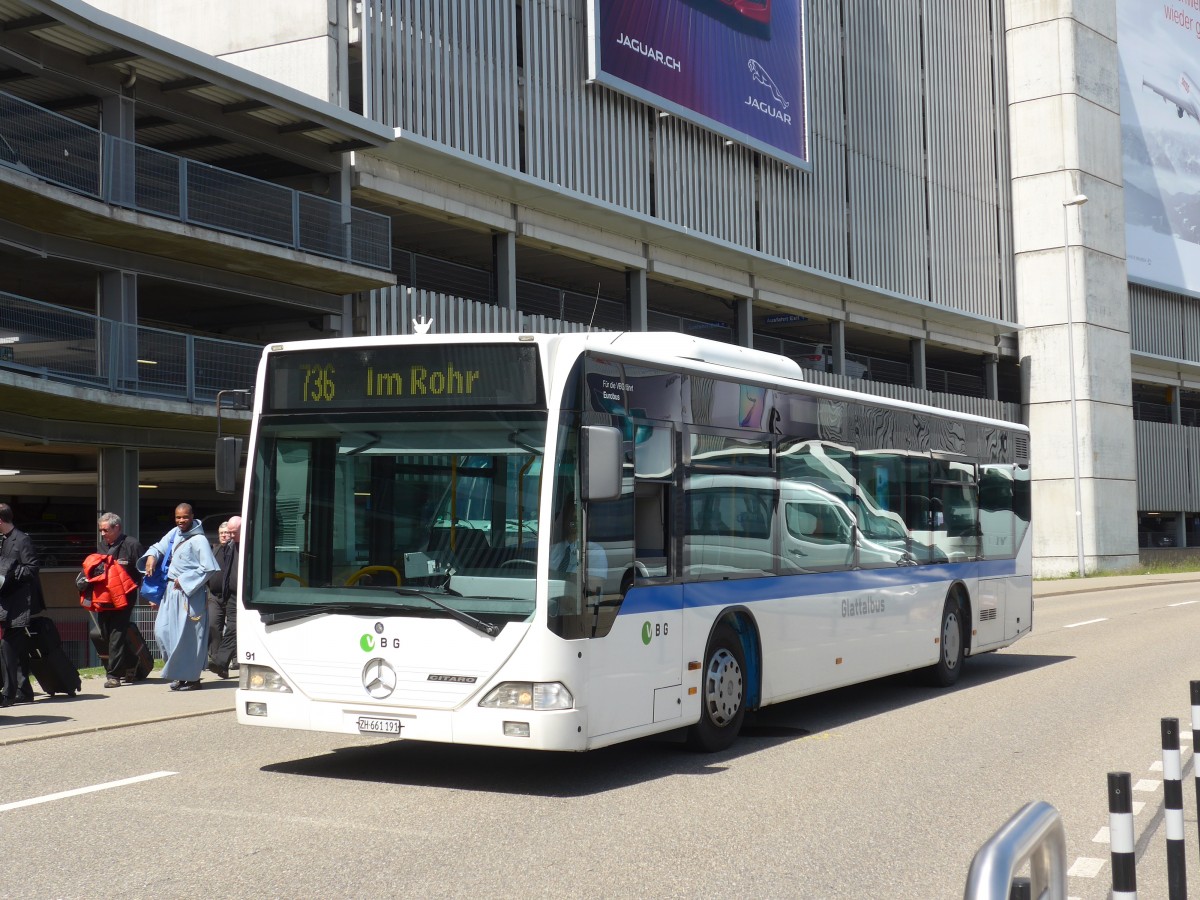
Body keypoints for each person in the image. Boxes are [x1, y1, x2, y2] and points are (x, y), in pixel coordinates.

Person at [138, 503, 219, 692]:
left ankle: (192, 678)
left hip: (190, 594)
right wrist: (152, 556)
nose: (181, 521)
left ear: (192, 516)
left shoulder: (199, 539)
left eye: (184, 517)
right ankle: (178, 674)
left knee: (189, 636)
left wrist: (184, 580)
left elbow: (209, 568)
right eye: (177, 517)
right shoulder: (174, 533)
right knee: (163, 631)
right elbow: (158, 547)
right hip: (170, 592)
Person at [0, 504, 44, 707]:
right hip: (7, 602)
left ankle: (9, 694)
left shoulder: (22, 539)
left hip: (19, 603)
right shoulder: (3, 540)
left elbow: (32, 568)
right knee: (16, 649)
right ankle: (24, 690)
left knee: (8, 646)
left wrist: (10, 574)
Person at [94, 512, 145, 689]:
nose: (102, 534)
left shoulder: (132, 545)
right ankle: (133, 662)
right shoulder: (102, 545)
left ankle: (113, 675)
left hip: (124, 598)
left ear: (117, 528)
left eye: (105, 530)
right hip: (104, 598)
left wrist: (148, 595)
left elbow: (143, 572)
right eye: (101, 530)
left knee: (117, 634)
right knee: (106, 634)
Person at [206, 515, 240, 679]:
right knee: (214, 625)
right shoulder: (217, 549)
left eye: (232, 532)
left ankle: (223, 661)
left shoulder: (243, 546)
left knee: (233, 628)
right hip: (219, 595)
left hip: (238, 596)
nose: (229, 536)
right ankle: (218, 661)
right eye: (225, 533)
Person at [549, 507, 608, 595]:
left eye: (578, 520)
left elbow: (595, 586)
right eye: (571, 520)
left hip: (579, 604)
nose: (574, 524)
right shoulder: (552, 550)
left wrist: (564, 577)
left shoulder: (594, 551)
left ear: (587, 524)